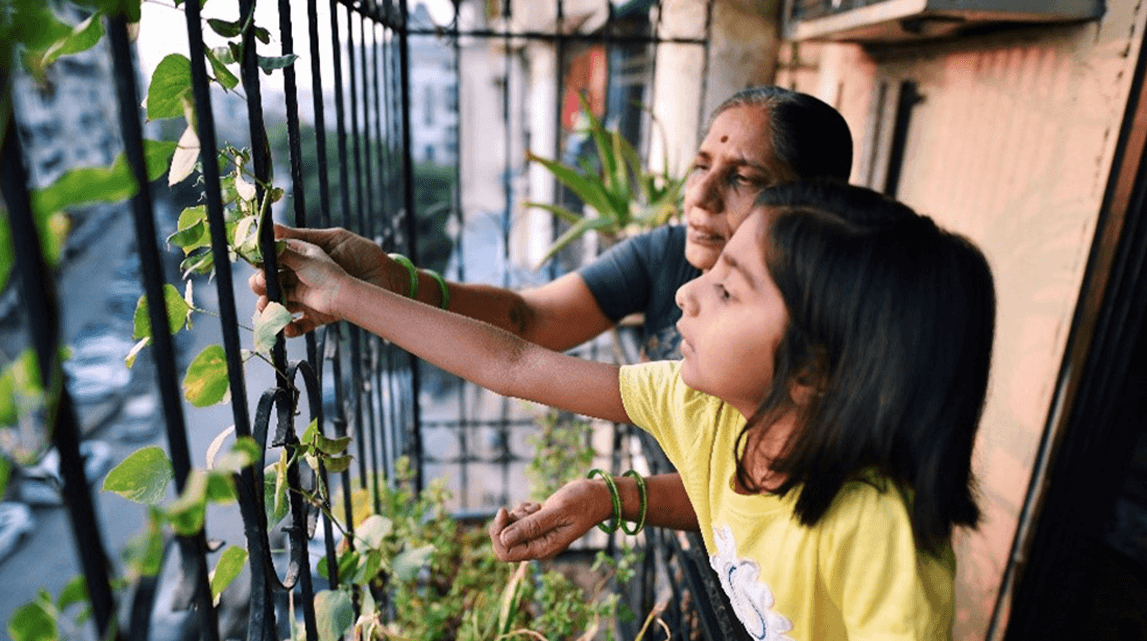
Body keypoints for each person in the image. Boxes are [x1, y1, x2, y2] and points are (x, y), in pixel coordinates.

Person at [270, 179, 996, 640]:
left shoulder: (878, 533)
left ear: (814, 369)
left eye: (731, 287)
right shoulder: (705, 409)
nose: (687, 291)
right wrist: (347, 297)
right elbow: (512, 362)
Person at [249, 86, 854, 555]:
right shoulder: (668, 264)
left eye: (743, 177)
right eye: (702, 166)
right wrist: (388, 280)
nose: (700, 196)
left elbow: (777, 489)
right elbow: (521, 330)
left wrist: (355, 298)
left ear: (816, 205)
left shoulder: (830, 350)